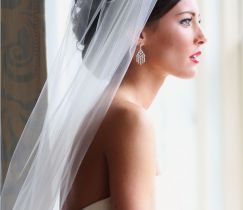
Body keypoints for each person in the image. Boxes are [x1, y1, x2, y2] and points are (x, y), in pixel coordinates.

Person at [1, 0, 206, 210]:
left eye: (199, 20)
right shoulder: (129, 120)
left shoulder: (105, 112)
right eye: (186, 21)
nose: (202, 37)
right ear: (138, 32)